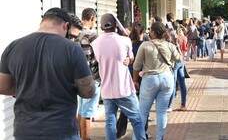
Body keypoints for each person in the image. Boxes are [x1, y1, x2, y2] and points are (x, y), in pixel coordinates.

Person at [0, 8, 95, 140]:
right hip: (62, 131)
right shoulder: (72, 49)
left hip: (24, 132)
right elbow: (88, 91)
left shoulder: (13, 47)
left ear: (43, 22)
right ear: (66, 26)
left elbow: (3, 86)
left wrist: (28, 86)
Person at [91, 13, 146, 140]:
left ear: (101, 26)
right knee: (136, 120)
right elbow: (131, 58)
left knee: (110, 121)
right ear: (115, 25)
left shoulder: (95, 43)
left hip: (106, 90)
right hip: (124, 89)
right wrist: (129, 59)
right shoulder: (125, 40)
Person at [133, 22, 180, 140]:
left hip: (149, 80)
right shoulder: (169, 45)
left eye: (150, 30)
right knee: (162, 112)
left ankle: (138, 138)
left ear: (153, 32)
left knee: (143, 112)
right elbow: (179, 59)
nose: (149, 32)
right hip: (167, 79)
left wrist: (135, 80)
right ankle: (160, 138)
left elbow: (136, 66)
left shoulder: (145, 45)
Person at [116, 23, 147, 139]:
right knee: (142, 107)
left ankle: (120, 131)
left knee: (126, 106)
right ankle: (143, 132)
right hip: (141, 77)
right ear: (142, 33)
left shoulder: (127, 44)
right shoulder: (144, 45)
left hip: (127, 77)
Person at [77, 8, 101, 140]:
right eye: (95, 20)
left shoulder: (75, 35)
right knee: (87, 112)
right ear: (92, 18)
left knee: (81, 109)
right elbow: (99, 57)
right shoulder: (93, 36)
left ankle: (80, 136)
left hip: (78, 78)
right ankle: (85, 138)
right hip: (92, 78)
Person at [168, 27, 188, 112]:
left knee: (173, 84)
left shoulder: (171, 43)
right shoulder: (182, 38)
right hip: (181, 61)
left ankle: (169, 106)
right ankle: (183, 104)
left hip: (175, 63)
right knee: (182, 83)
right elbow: (183, 51)